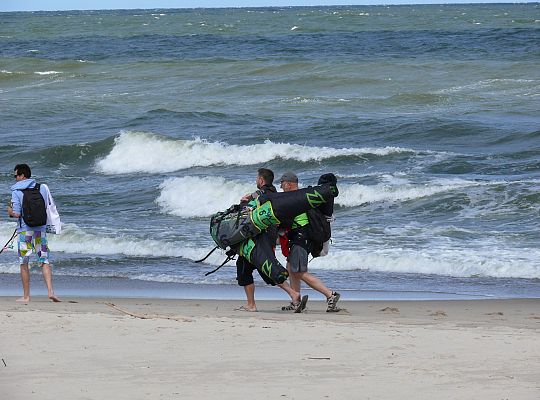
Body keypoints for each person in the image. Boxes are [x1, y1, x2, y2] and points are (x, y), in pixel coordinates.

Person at [235, 168, 307, 312]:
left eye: (257, 178)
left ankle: (252, 305)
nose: (256, 180)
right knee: (269, 271)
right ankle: (293, 294)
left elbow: (247, 211)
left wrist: (242, 203)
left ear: (261, 180)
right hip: (270, 240)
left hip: (256, 240)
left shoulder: (259, 194)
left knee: (244, 268)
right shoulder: (277, 195)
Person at [279, 171, 340, 312]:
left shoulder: (298, 198)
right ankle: (296, 301)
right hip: (297, 237)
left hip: (301, 238)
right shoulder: (301, 196)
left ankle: (330, 295)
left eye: (282, 183)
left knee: (299, 272)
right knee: (290, 268)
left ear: (288, 184)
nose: (281, 186)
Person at [7, 164, 60, 303]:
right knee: (44, 260)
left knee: (24, 263)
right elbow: (48, 206)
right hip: (40, 230)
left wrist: (10, 212)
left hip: (25, 231)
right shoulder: (41, 187)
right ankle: (51, 292)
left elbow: (17, 214)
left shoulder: (16, 191)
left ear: (22, 175)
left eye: (16, 175)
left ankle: (26, 296)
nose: (15, 178)